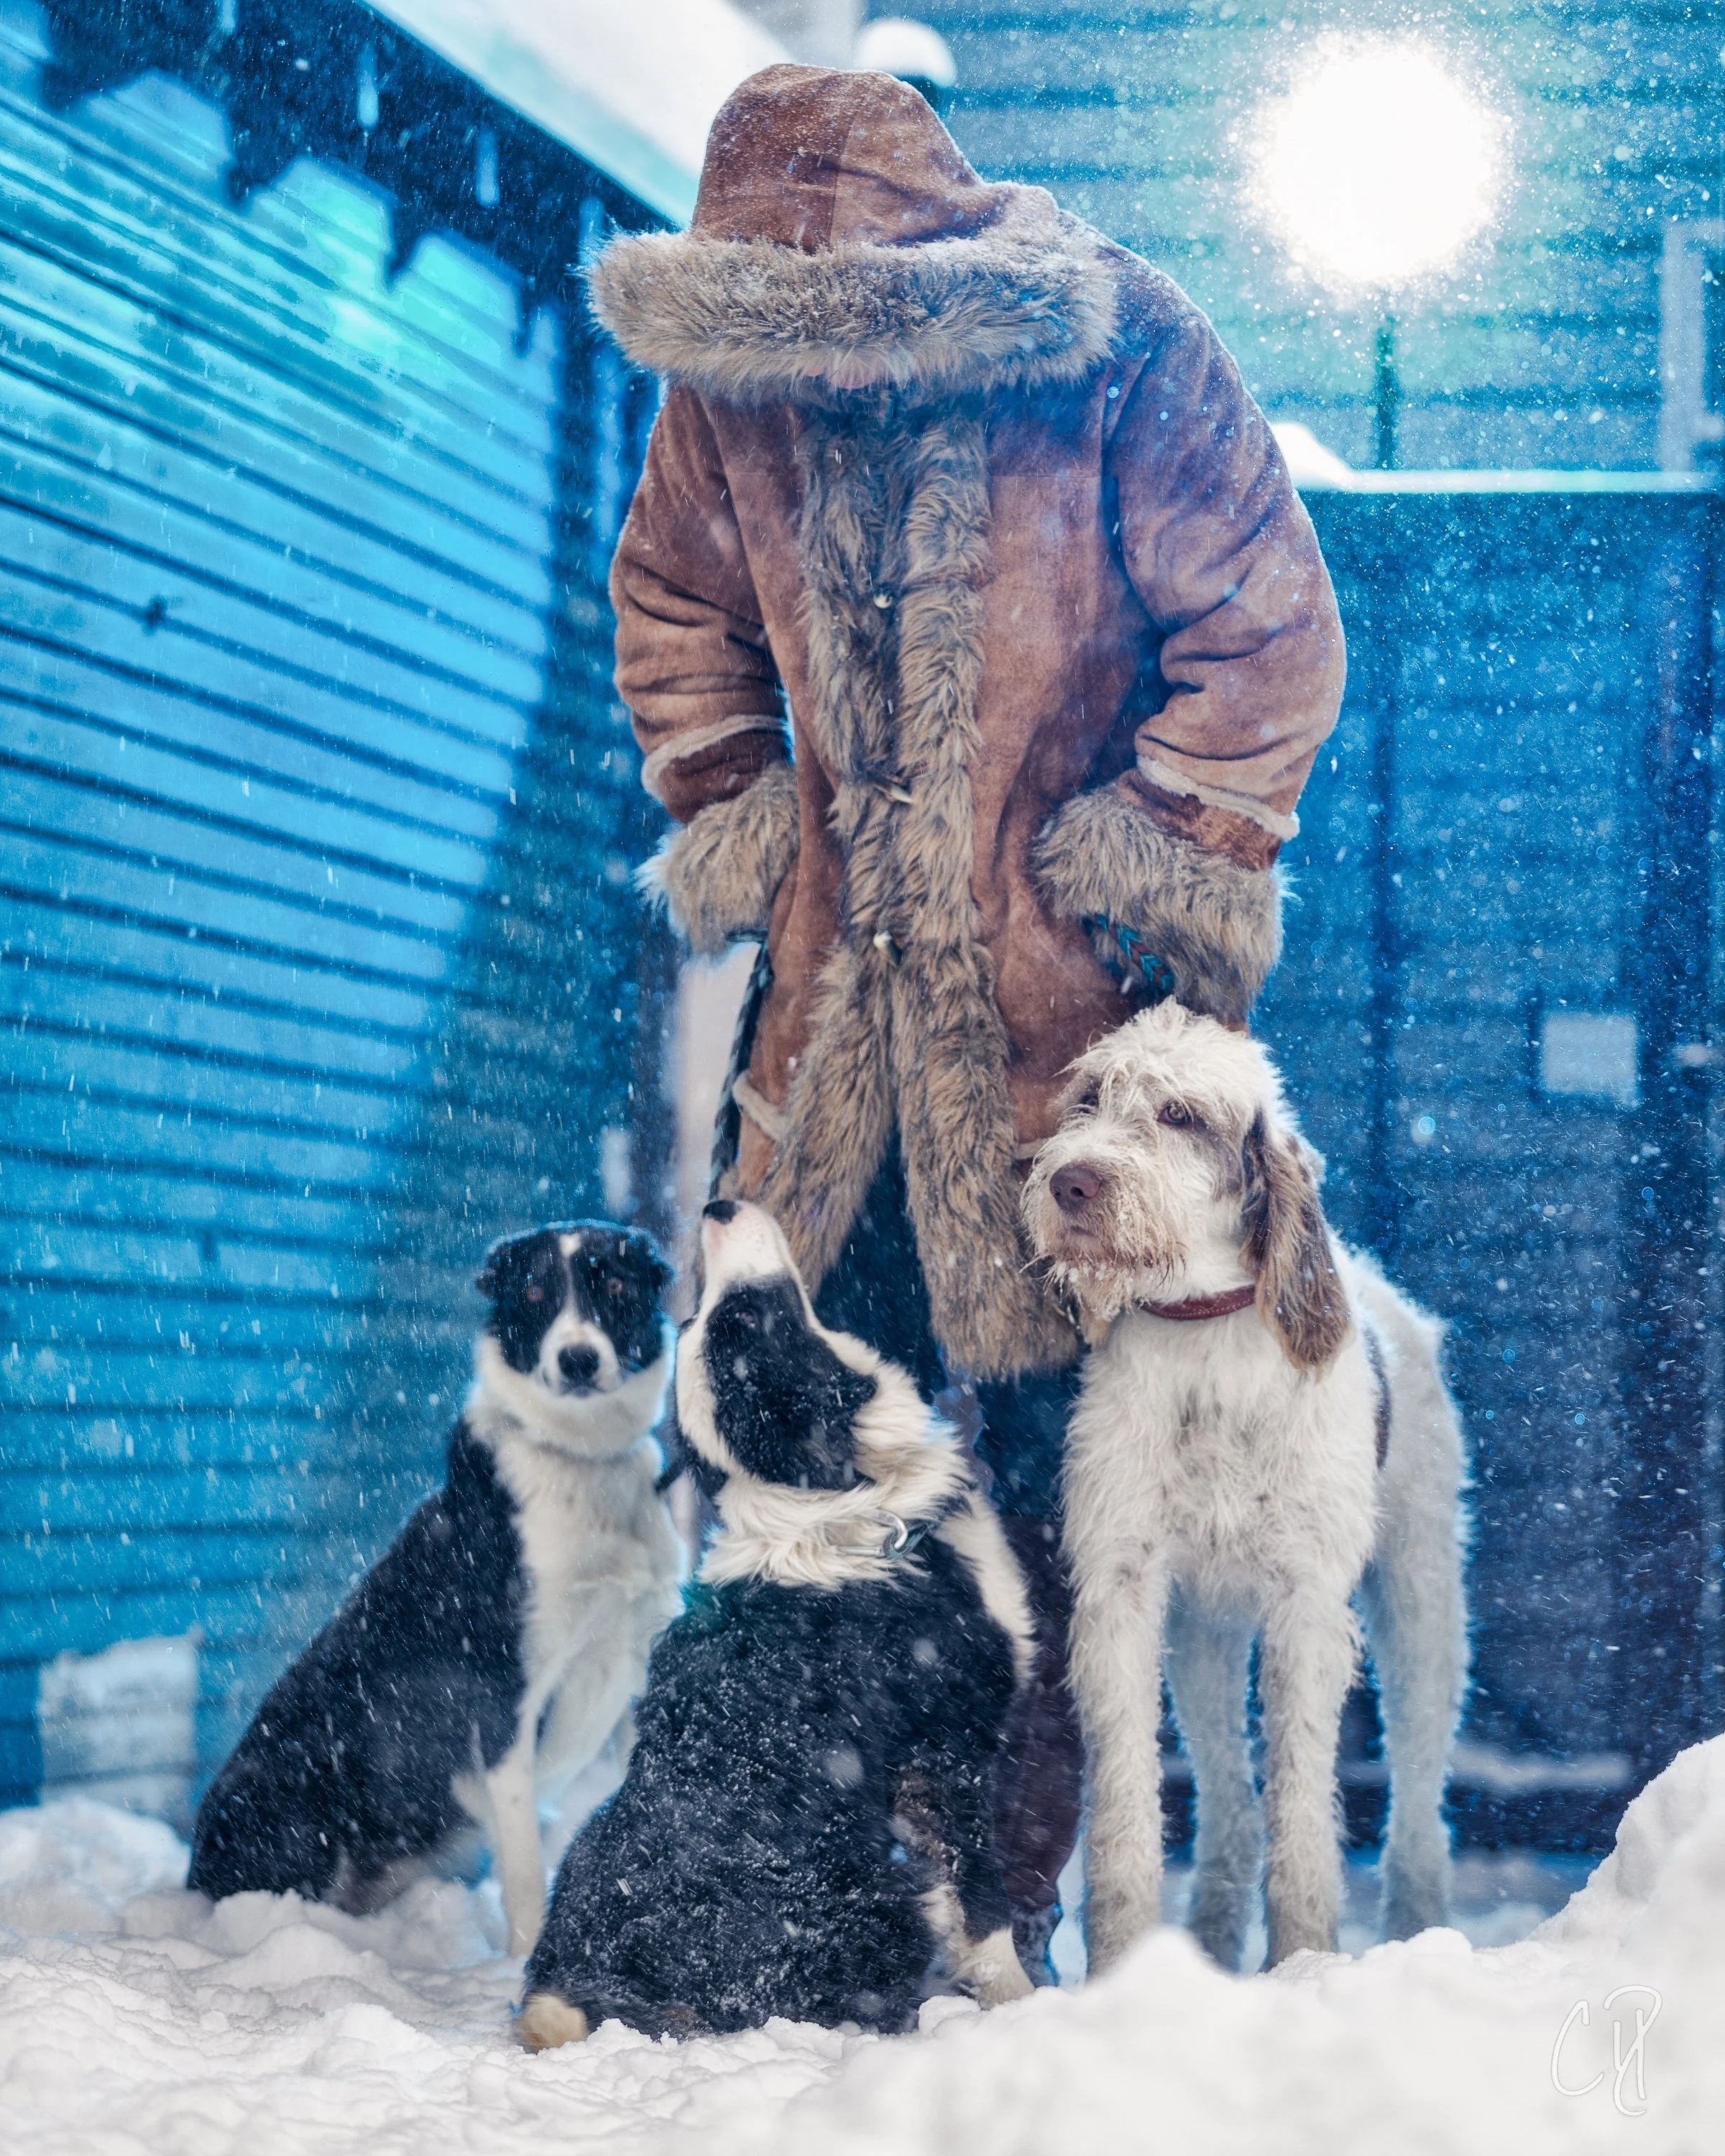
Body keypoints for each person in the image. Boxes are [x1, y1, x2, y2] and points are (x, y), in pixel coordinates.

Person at [592, 63, 1345, 1976]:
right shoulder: (729, 382)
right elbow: (671, 605)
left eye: (840, 329)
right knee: (789, 1466)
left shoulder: (1113, 348)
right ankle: (796, 1883)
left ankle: (1000, 1910)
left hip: (1066, 1048)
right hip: (829, 1032)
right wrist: (752, 817)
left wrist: (1131, 861)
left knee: (1059, 1515)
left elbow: (1269, 632)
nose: (811, 374)